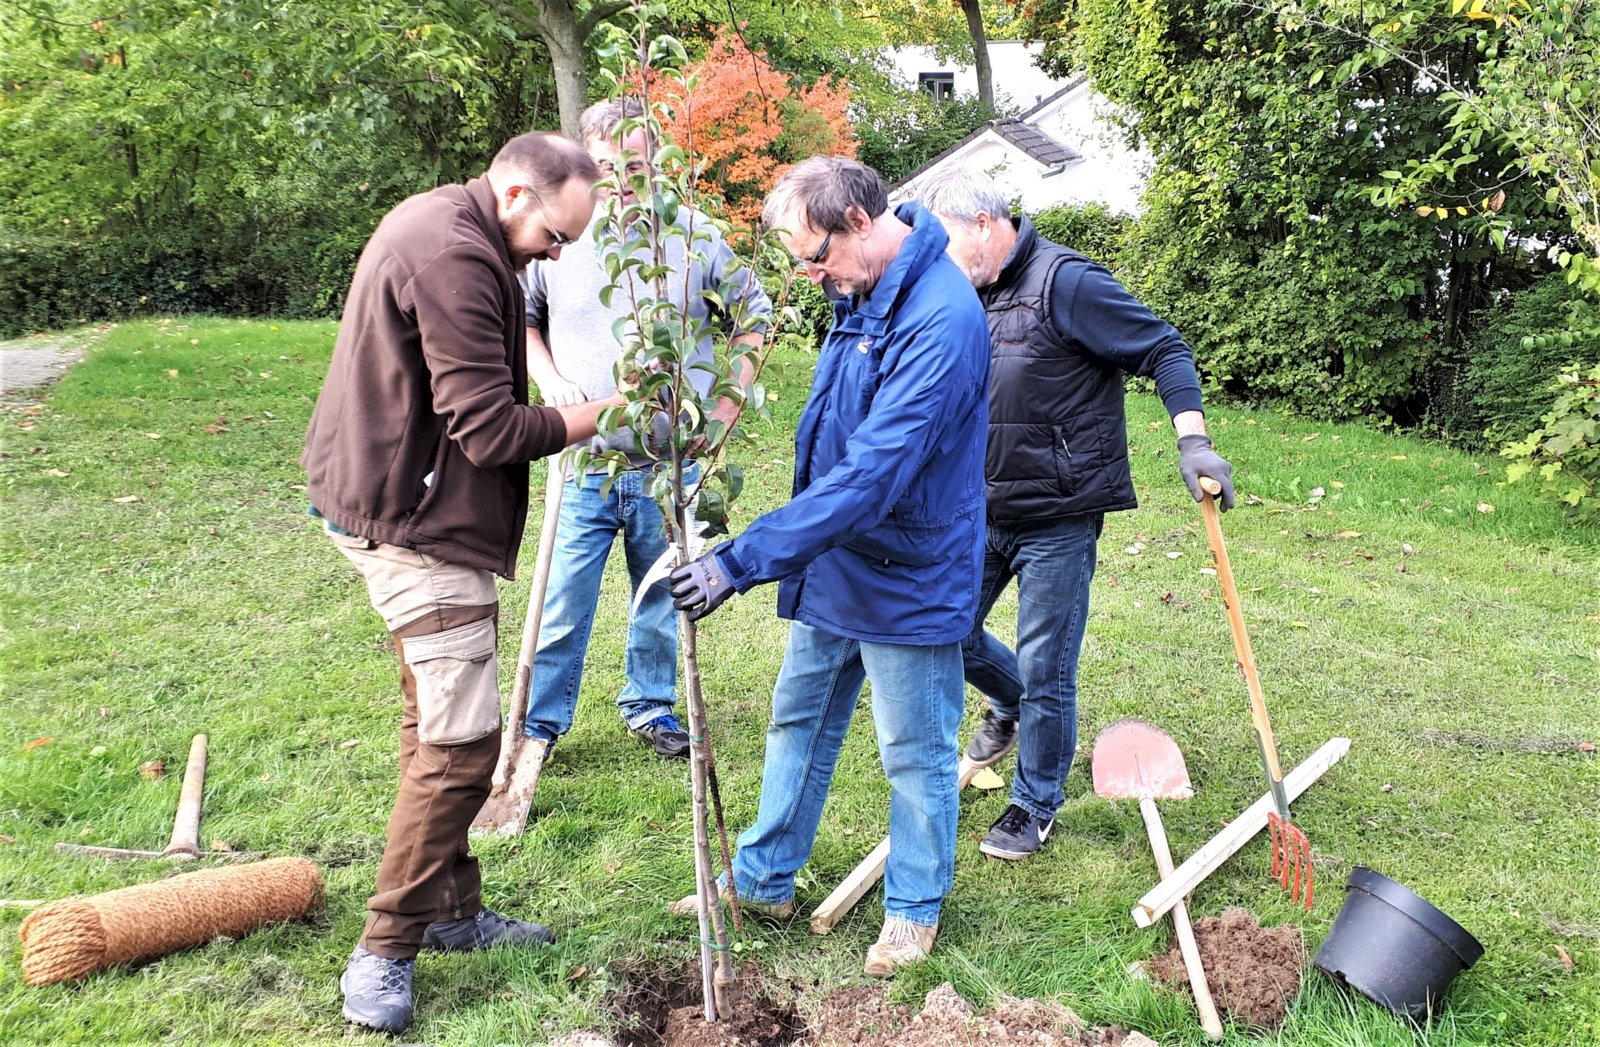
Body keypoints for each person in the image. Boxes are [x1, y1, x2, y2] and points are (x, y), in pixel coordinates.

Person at [302, 132, 621, 1036]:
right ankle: (385, 946)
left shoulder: (455, 224)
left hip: (389, 497)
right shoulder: (455, 255)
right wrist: (606, 413)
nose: (557, 256)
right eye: (555, 236)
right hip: (413, 524)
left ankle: (450, 911)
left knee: (433, 719)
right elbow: (487, 428)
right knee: (462, 746)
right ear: (516, 191)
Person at [667, 157, 991, 977]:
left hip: (909, 564)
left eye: (815, 256)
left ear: (856, 221)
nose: (812, 277)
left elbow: (875, 475)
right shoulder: (862, 287)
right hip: (839, 552)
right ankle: (765, 877)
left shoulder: (941, 320)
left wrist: (740, 560)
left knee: (914, 747)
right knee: (799, 717)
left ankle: (914, 907)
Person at [916, 167, 1235, 861]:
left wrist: (1194, 439)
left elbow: (1164, 347)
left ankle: (1033, 803)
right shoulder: (965, 291)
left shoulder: (1067, 281)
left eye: (943, 243)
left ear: (982, 225)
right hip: (980, 504)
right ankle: (1009, 705)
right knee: (944, 628)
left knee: (1046, 662)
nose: (935, 261)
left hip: (1059, 511)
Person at [519, 99, 769, 760]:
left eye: (636, 163)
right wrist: (547, 381)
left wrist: (722, 411)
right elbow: (524, 319)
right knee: (562, 601)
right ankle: (538, 727)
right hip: (584, 458)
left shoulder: (692, 235)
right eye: (607, 165)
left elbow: (756, 315)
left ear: (658, 160)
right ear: (583, 163)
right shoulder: (560, 238)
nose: (623, 177)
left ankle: (650, 705)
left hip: (670, 463)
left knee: (659, 593)